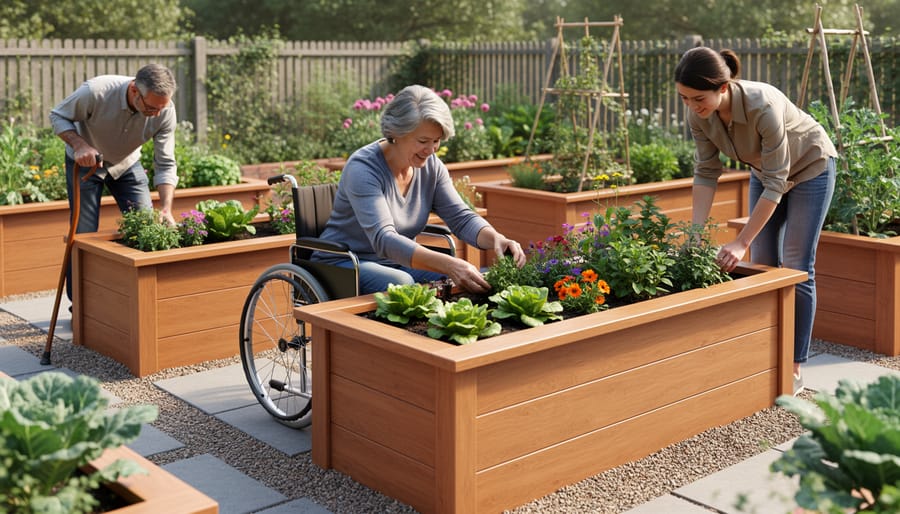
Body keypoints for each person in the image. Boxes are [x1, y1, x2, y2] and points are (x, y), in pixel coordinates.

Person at [674, 47, 837, 395]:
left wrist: (740, 241)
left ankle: (792, 368)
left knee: (796, 264)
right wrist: (695, 233)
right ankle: (766, 356)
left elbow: (780, 180)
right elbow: (706, 172)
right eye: (684, 98)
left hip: (810, 169)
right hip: (766, 174)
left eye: (697, 98)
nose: (692, 106)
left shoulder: (762, 104)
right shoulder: (699, 115)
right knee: (763, 264)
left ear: (723, 87)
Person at [313, 84, 525, 294]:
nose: (431, 150)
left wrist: (496, 238)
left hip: (397, 262)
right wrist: (448, 264)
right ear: (395, 132)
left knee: (466, 281)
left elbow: (461, 218)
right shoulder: (363, 169)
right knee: (404, 283)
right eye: (423, 141)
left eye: (436, 141)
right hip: (346, 262)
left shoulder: (431, 167)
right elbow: (384, 239)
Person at [49, 63, 179, 300]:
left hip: (127, 163)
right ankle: (78, 304)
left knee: (147, 228)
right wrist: (79, 145)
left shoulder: (165, 109)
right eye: (151, 108)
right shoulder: (96, 92)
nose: (157, 114)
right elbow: (57, 115)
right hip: (86, 164)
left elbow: (166, 162)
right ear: (133, 91)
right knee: (84, 234)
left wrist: (167, 208)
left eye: (162, 107)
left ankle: (136, 300)